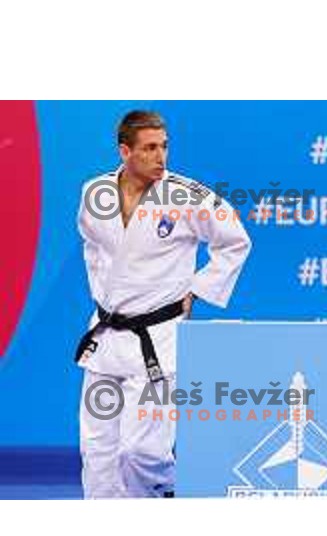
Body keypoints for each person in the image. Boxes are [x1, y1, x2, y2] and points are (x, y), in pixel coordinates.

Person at [75, 110, 251, 498]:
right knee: (98, 454)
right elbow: (94, 247)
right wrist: (106, 295)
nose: (161, 156)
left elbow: (235, 241)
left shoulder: (186, 197)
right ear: (125, 152)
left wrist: (200, 289)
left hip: (158, 341)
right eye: (150, 148)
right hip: (106, 338)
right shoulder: (95, 194)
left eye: (165, 146)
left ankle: (162, 500)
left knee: (141, 452)